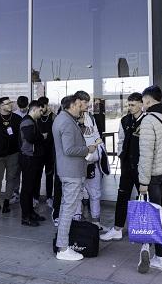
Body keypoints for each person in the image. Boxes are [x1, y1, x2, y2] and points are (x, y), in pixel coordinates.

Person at [136, 85, 162, 274]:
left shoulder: (148, 121)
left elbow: (146, 155)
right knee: (157, 211)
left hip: (152, 175)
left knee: (153, 215)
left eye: (143, 102)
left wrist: (143, 182)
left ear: (148, 101)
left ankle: (159, 256)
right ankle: (151, 249)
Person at [53, 95, 99, 261]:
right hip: (71, 172)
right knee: (68, 210)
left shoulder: (64, 119)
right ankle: (63, 248)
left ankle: (62, 245)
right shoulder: (65, 121)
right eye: (79, 104)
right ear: (72, 105)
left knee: (67, 208)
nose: (82, 107)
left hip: (69, 171)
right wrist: (88, 149)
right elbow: (69, 149)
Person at [100, 92, 144, 241]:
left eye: (133, 105)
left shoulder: (147, 120)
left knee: (143, 197)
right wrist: (120, 155)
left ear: (141, 104)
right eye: (129, 105)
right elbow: (120, 139)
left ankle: (144, 229)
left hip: (141, 166)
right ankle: (117, 228)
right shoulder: (125, 120)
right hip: (126, 165)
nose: (130, 107)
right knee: (122, 196)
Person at [74, 90, 106, 228]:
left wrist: (98, 147)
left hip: (92, 161)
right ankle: (76, 222)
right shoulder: (69, 118)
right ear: (77, 102)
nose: (87, 105)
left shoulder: (90, 117)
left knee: (95, 193)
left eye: (88, 102)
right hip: (76, 162)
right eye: (85, 102)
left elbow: (97, 135)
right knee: (76, 193)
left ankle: (96, 222)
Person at [19, 100, 47, 226]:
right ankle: (25, 217)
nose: (42, 113)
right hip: (28, 158)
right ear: (34, 109)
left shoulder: (32, 121)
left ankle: (31, 213)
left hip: (33, 158)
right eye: (40, 110)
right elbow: (30, 138)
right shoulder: (27, 121)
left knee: (31, 188)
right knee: (27, 189)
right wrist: (42, 137)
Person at [0, 97, 22, 214]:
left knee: (11, 178)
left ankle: (6, 201)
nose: (10, 104)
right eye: (7, 103)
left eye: (10, 102)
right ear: (0, 106)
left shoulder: (17, 119)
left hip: (13, 154)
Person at [35, 96, 55, 208]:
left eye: (44, 105)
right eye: (40, 106)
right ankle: (35, 197)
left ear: (47, 105)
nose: (42, 108)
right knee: (37, 174)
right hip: (38, 150)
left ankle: (49, 197)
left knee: (49, 174)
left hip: (49, 150)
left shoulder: (53, 117)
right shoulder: (37, 117)